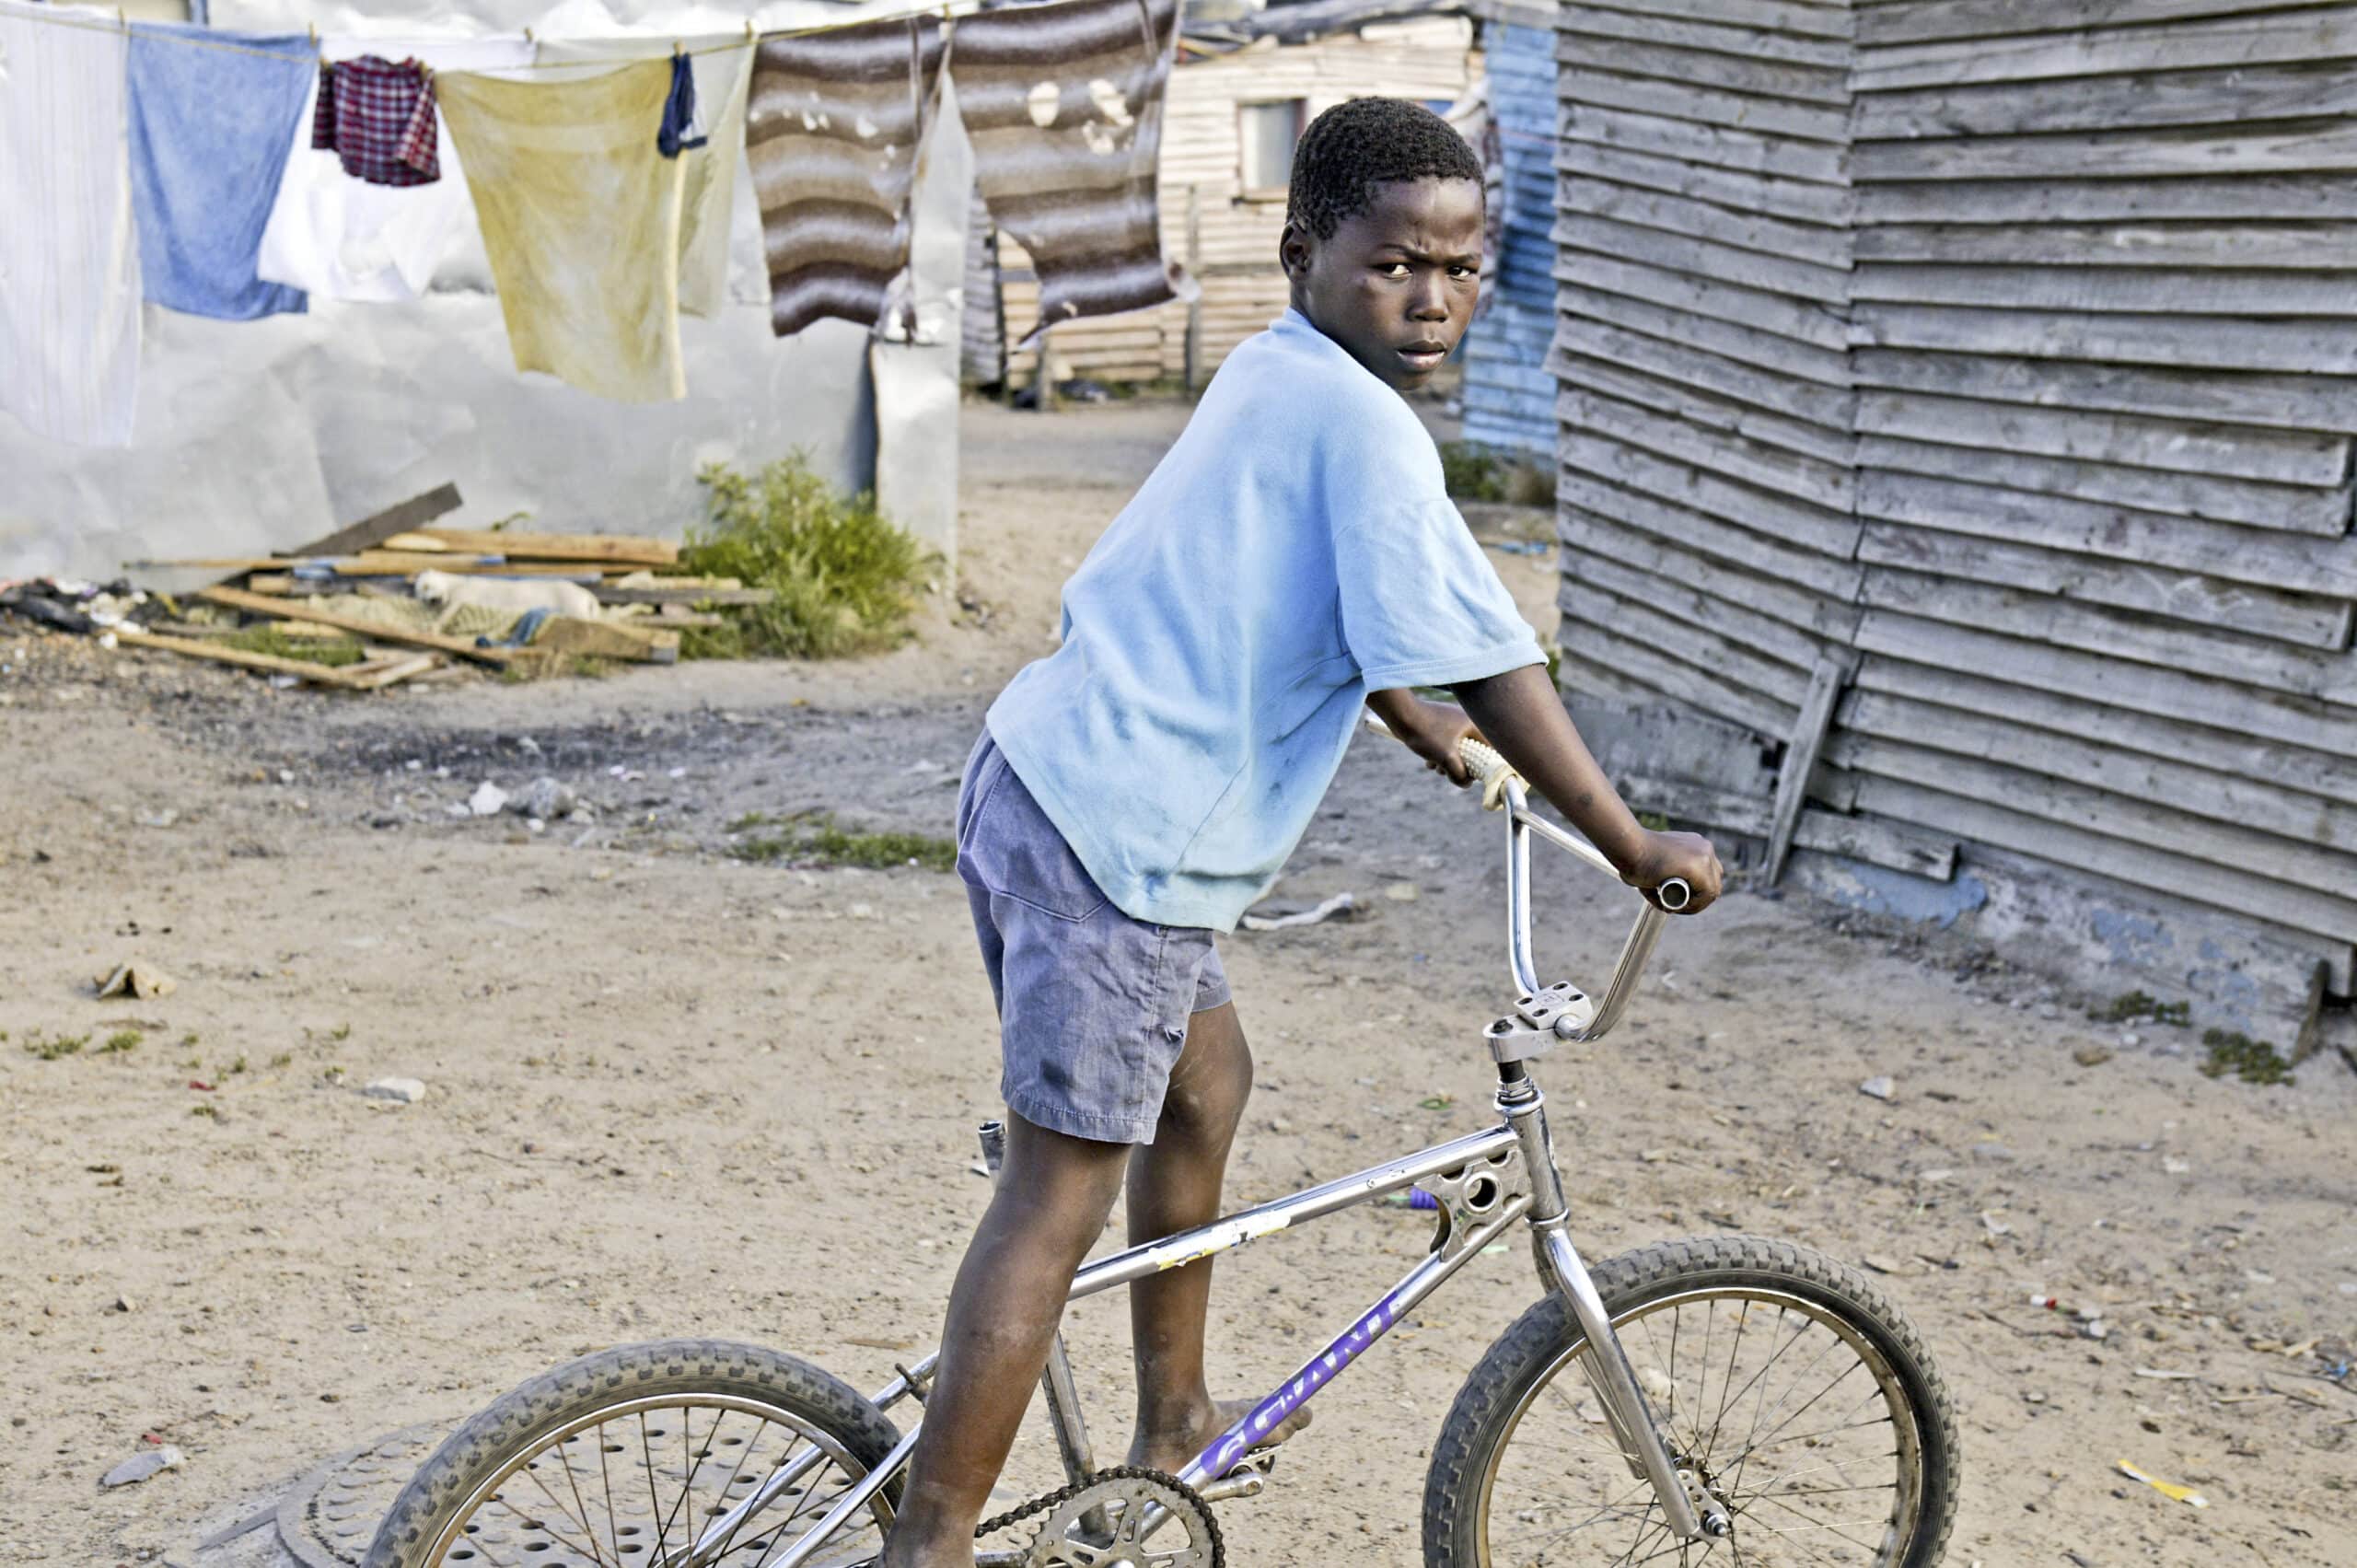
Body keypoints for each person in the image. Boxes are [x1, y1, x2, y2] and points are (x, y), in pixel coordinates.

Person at [877, 97, 1723, 1567]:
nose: (1436, 300)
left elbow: (1305, 588)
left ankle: (1179, 1419)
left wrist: (1415, 724)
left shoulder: (1278, 377)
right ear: (1303, 253)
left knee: (1206, 1089)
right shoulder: (1365, 428)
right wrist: (1631, 839)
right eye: (1398, 265)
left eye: (1463, 270)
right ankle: (933, 1540)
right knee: (1056, 1189)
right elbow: (1494, 657)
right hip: (1123, 847)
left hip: (1043, 776)